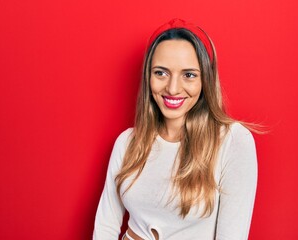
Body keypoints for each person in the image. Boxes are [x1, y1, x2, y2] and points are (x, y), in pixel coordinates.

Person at [93, 18, 258, 240]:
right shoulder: (128, 142)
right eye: (161, 73)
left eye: (188, 75)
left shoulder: (232, 141)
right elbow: (106, 225)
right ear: (148, 76)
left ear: (205, 81)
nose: (172, 88)